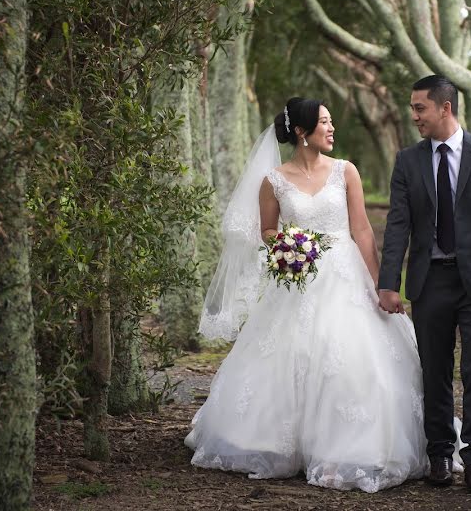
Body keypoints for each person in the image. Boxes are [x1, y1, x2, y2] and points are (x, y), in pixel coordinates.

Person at [184, 98, 433, 493]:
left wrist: (383, 284)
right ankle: (276, 443)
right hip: (298, 279)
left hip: (346, 277)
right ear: (302, 132)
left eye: (332, 122)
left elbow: (363, 231)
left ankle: (351, 446)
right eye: (324, 122)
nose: (332, 129)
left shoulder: (345, 172)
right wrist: (287, 244)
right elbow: (266, 230)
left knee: (352, 359)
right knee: (290, 357)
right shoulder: (274, 180)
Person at [377, 75, 471, 495]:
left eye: (420, 108)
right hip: (430, 280)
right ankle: (440, 453)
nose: (414, 116)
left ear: (445, 107)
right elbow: (398, 226)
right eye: (412, 109)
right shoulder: (408, 161)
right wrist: (390, 283)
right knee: (434, 370)